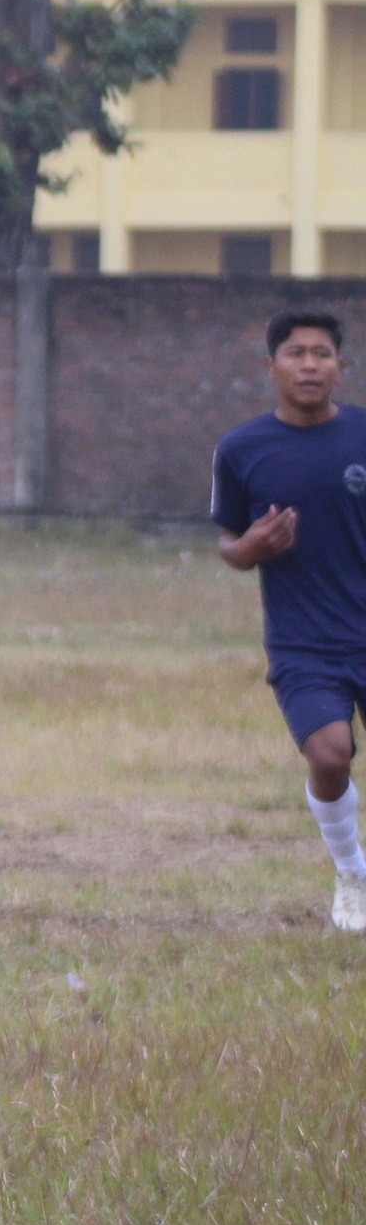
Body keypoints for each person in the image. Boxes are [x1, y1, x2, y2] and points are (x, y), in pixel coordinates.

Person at [212, 309, 366, 934]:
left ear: (341, 366)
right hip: (305, 643)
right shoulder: (241, 449)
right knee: (331, 756)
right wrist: (253, 548)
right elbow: (228, 544)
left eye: (322, 354)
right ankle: (352, 873)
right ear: (271, 366)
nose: (310, 364)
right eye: (297, 353)